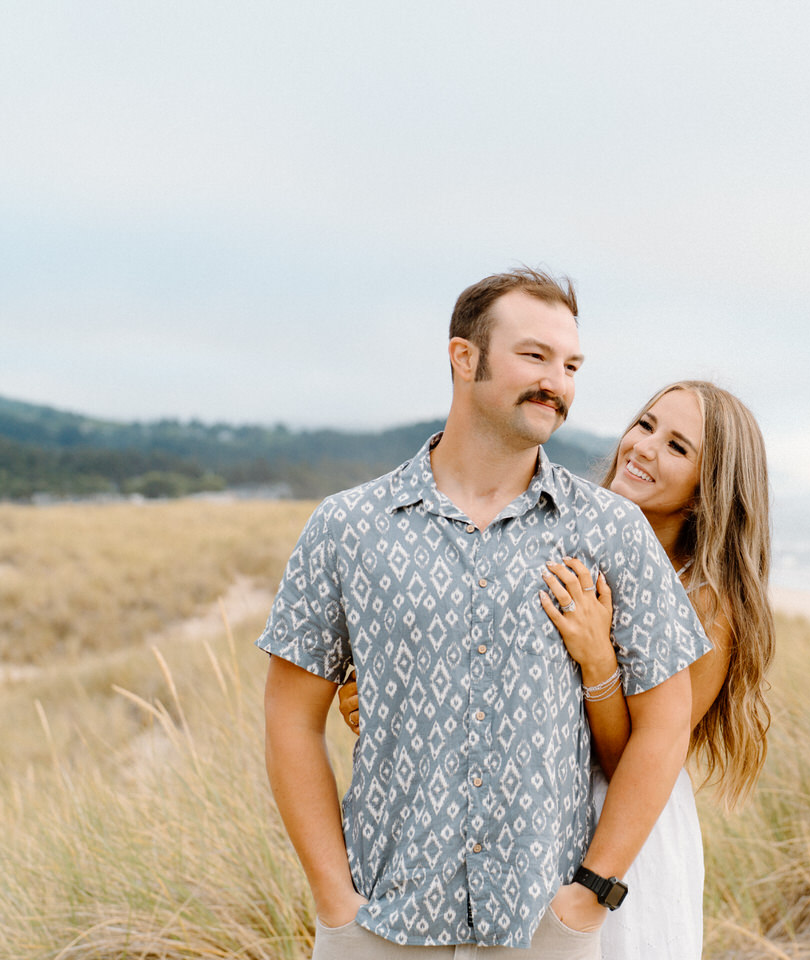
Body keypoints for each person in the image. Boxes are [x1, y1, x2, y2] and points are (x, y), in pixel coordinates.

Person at [258, 268, 710, 959]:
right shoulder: (347, 526)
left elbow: (668, 718)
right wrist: (335, 904)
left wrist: (590, 895)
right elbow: (291, 717)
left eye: (571, 365)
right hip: (380, 922)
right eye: (534, 356)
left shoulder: (613, 532)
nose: (556, 381)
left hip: (544, 930)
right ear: (463, 358)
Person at [338, 379, 775, 959]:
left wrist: (599, 661)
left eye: (677, 447)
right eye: (645, 425)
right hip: (528, 813)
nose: (643, 447)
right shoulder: (570, 539)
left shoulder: (708, 604)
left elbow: (633, 759)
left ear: (705, 492)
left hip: (625, 832)